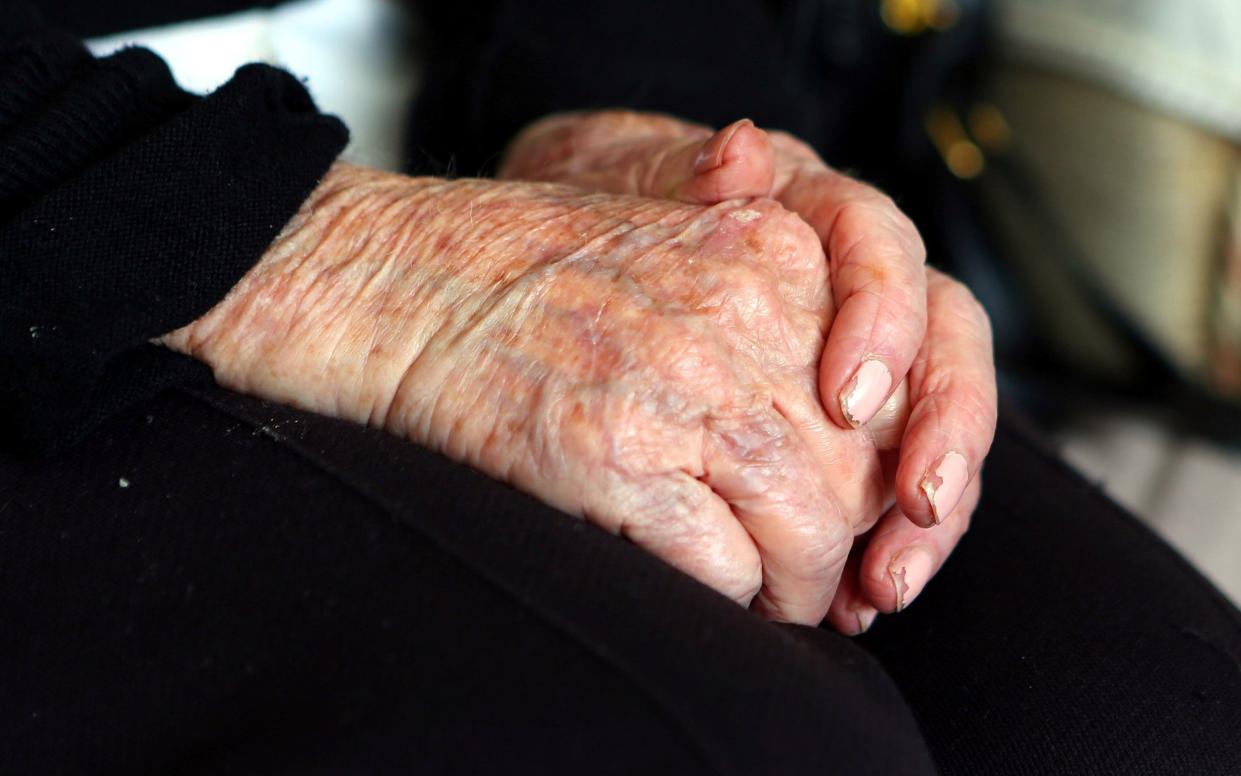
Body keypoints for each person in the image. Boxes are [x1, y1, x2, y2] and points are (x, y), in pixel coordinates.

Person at [2, 1, 1239, 774]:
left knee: (1156, 723)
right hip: (67, 213)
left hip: (431, 103)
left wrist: (626, 119)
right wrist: (336, 260)